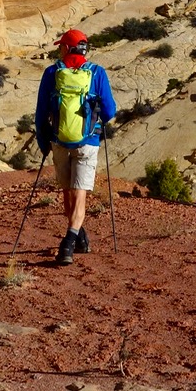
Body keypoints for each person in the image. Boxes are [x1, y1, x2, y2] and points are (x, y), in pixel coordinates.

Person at [35, 29, 118, 266]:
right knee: (80, 194)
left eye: (61, 46)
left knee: (68, 194)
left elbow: (41, 113)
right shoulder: (97, 73)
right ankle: (69, 244)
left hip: (59, 141)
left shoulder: (52, 72)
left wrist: (43, 142)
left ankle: (77, 238)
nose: (59, 49)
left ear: (66, 49)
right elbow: (110, 111)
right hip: (87, 142)